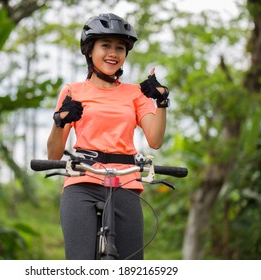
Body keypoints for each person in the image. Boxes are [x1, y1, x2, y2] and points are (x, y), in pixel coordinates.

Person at [47, 13, 169, 260]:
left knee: (131, 265)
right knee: (79, 263)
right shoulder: (73, 91)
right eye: (106, 45)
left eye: (120, 48)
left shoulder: (136, 93)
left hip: (125, 182)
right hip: (82, 182)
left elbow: (155, 140)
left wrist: (162, 101)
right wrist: (60, 121)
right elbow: (53, 154)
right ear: (89, 51)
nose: (113, 53)